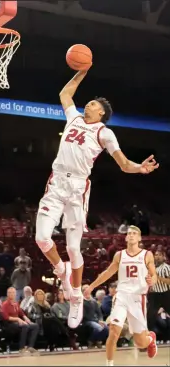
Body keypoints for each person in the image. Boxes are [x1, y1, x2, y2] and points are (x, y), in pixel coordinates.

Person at [35, 68, 159, 329]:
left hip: (78, 187)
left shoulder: (105, 133)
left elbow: (123, 164)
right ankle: (61, 270)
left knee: (72, 248)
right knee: (41, 238)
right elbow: (65, 93)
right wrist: (82, 71)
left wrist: (140, 168)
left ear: (101, 112)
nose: (87, 105)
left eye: (92, 104)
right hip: (56, 182)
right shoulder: (74, 118)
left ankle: (77, 296)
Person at [84, 225, 158, 366]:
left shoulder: (146, 254)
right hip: (122, 296)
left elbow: (154, 275)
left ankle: (150, 339)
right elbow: (107, 273)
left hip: (138, 297)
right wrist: (92, 286)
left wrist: (151, 280)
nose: (131, 235)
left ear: (139, 238)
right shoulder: (120, 255)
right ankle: (109, 364)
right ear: (125, 237)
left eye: (134, 233)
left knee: (140, 342)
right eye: (129, 233)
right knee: (113, 331)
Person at [1, 287, 39, 355]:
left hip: (18, 322)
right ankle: (22, 348)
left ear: (15, 294)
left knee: (35, 326)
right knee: (25, 326)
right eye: (9, 293)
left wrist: (26, 318)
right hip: (9, 324)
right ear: (7, 294)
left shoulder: (16, 303)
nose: (11, 294)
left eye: (13, 292)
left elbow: (21, 313)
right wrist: (18, 319)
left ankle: (30, 346)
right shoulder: (5, 304)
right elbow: (6, 317)